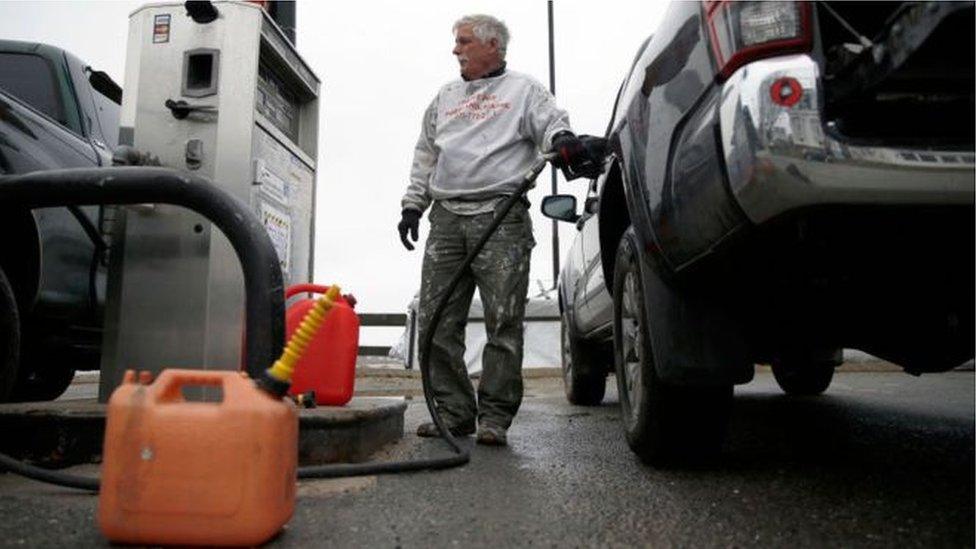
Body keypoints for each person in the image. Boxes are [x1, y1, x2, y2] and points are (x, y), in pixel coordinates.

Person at [397, 14, 599, 446]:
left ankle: (494, 416)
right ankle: (453, 411)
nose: (456, 50)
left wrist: (564, 141)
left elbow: (551, 125)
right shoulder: (445, 97)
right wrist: (413, 205)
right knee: (435, 318)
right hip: (447, 218)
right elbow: (425, 153)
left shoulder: (524, 90)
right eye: (457, 43)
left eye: (464, 42)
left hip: (501, 216)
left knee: (503, 320)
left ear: (493, 46)